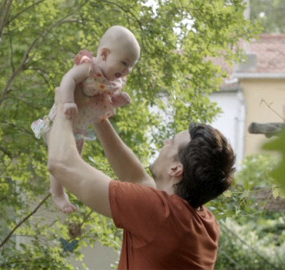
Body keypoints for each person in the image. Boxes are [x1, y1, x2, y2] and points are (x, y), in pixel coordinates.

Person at [47, 88, 236, 269]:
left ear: (176, 168)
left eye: (171, 142)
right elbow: (135, 178)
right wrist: (99, 115)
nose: (164, 142)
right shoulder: (204, 222)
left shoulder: (160, 215)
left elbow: (61, 163)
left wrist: (63, 100)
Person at [31, 25, 140, 213]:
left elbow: (102, 104)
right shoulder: (88, 67)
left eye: (131, 66)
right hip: (61, 120)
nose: (127, 70)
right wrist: (67, 101)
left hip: (79, 128)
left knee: (75, 162)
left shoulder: (111, 81)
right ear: (104, 54)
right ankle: (57, 193)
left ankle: (68, 188)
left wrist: (117, 102)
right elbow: (68, 80)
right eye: (124, 63)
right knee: (61, 161)